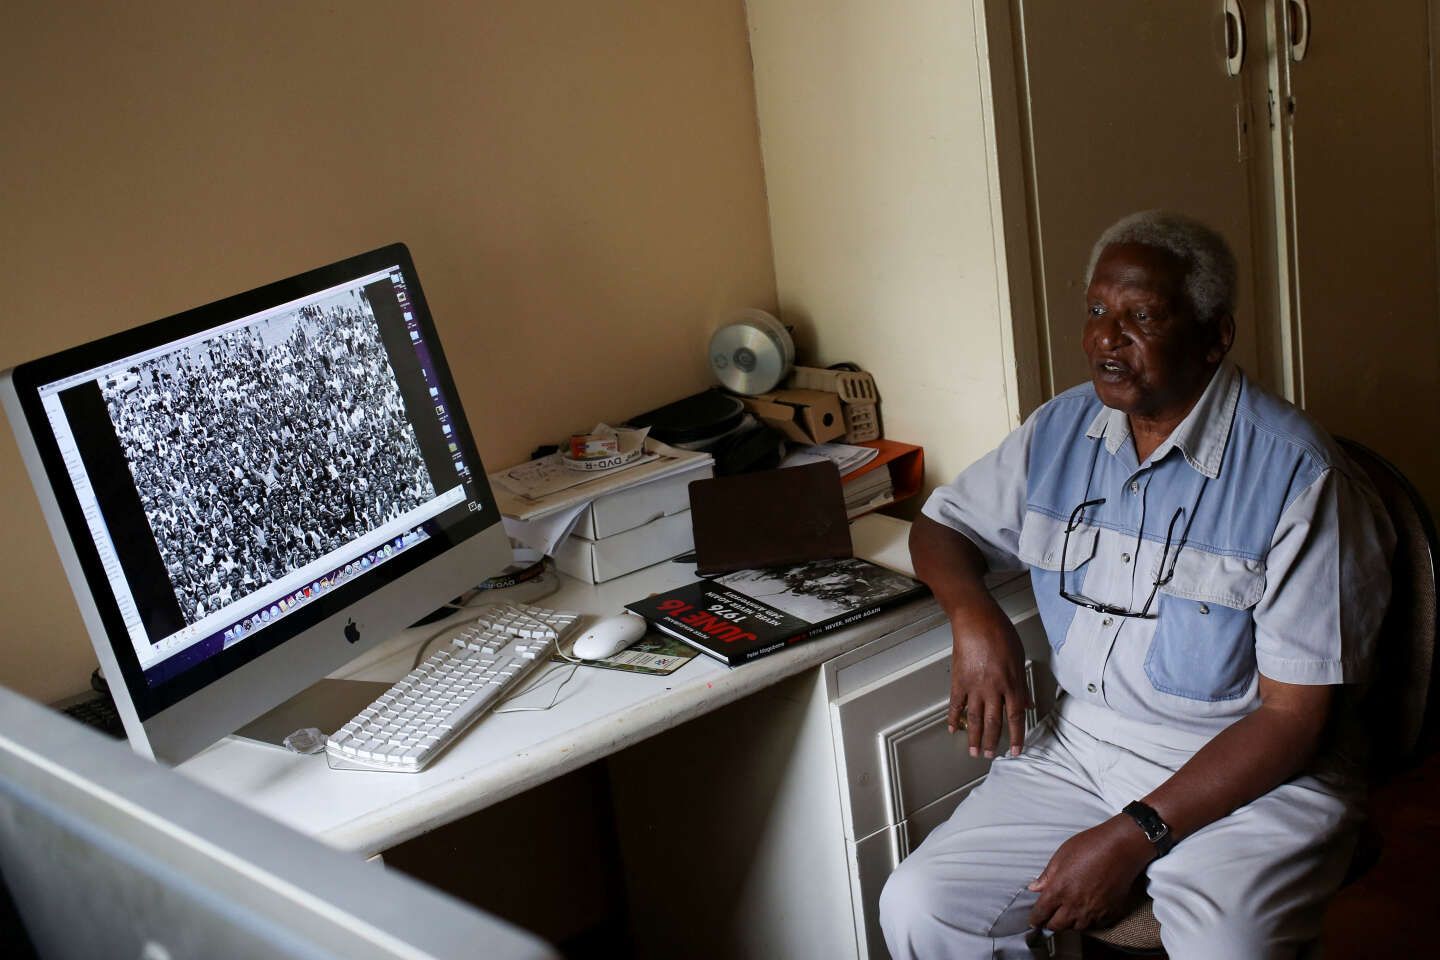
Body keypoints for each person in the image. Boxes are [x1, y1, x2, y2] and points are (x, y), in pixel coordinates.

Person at [878, 211, 1394, 959]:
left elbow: (1292, 721)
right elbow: (940, 526)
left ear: (1215, 336)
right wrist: (974, 618)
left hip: (1257, 769)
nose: (1104, 339)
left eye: (1140, 316)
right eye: (1095, 311)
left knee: (1229, 946)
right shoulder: (1061, 429)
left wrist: (1135, 833)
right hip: (1084, 747)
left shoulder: (1297, 476)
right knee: (923, 906)